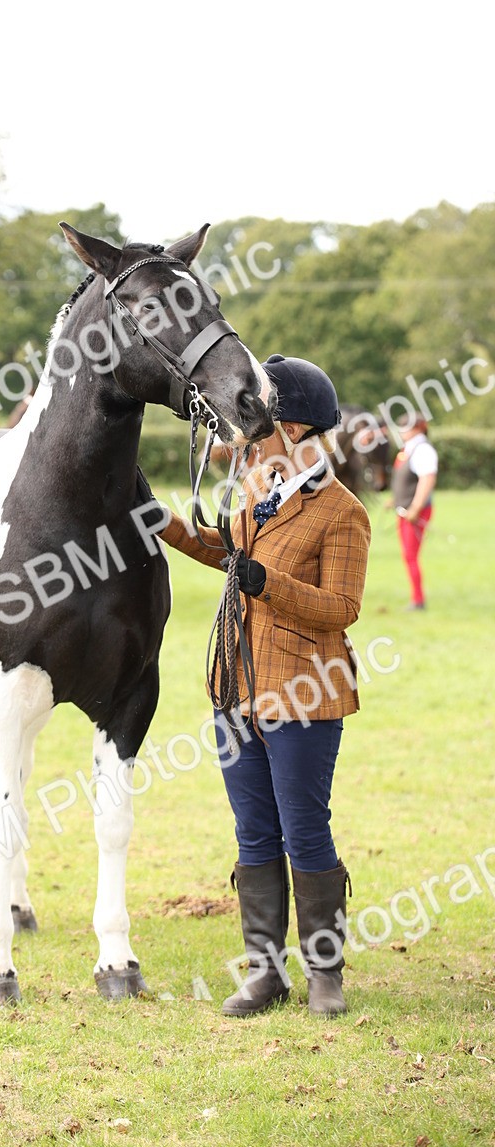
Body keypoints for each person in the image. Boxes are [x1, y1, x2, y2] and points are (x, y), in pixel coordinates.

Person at [155, 354, 371, 1018]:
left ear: (297, 427)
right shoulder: (259, 489)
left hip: (304, 690)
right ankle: (266, 972)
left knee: (304, 830)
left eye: (259, 423)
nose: (244, 436)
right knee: (253, 832)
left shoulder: (342, 512)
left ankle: (325, 973)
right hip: (236, 685)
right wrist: (162, 525)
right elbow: (231, 552)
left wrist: (267, 585)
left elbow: (341, 608)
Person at [387, 415, 437, 610]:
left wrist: (415, 507)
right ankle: (417, 597)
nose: (401, 431)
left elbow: (427, 480)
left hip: (415, 511)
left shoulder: (423, 450)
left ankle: (418, 600)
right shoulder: (408, 448)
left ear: (417, 429)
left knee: (410, 555)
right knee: (408, 554)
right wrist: (395, 499)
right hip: (404, 509)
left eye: (404, 427)